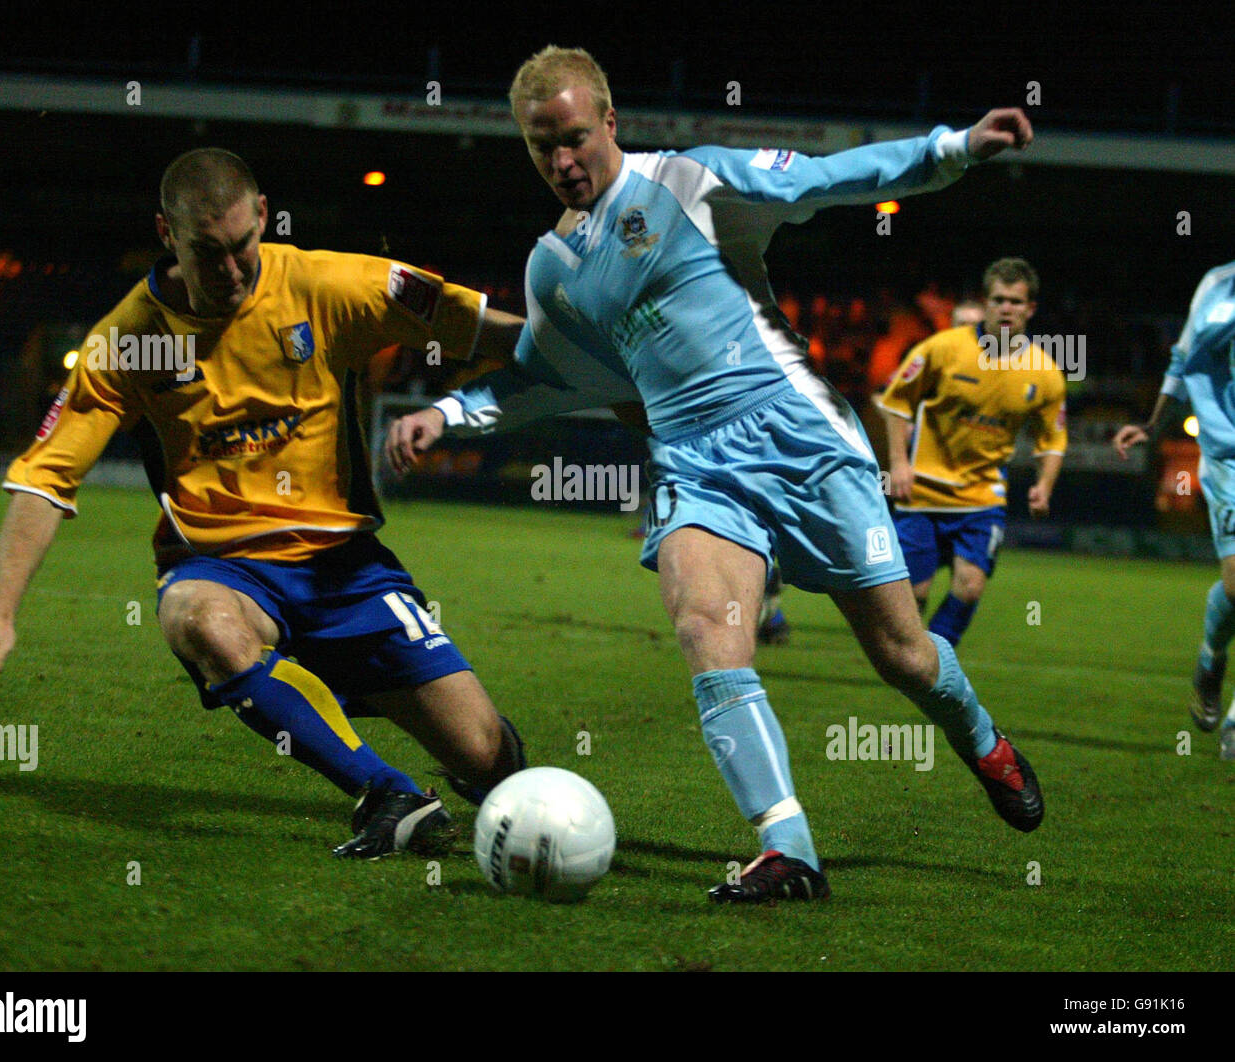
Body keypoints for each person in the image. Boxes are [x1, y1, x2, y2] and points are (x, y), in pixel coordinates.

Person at [387, 46, 1044, 903]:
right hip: (696, 468)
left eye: (577, 138)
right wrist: (450, 414)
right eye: (541, 146)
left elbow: (830, 178)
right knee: (706, 626)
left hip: (802, 441)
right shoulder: (551, 267)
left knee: (905, 655)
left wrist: (953, 147)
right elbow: (542, 377)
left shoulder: (691, 182)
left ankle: (985, 741)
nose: (562, 162)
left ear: (610, 122)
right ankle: (788, 849)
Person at [0, 147, 528, 856]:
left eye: (243, 246)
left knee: (486, 752)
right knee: (201, 621)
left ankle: (375, 705)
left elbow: (487, 331)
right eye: (206, 252)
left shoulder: (331, 284)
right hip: (225, 567)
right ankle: (388, 793)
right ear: (167, 235)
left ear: (264, 219)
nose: (230, 270)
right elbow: (45, 477)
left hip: (345, 570)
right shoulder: (129, 339)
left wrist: (608, 365)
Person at [877, 258, 1066, 646]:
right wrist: (898, 463)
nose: (1006, 308)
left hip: (981, 496)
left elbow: (1053, 439)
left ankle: (938, 662)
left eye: (1015, 301)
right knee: (913, 596)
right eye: (998, 299)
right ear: (986, 303)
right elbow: (896, 402)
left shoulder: (1045, 372)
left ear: (1030, 308)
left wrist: (1044, 485)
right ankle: (914, 663)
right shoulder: (943, 348)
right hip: (923, 492)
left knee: (970, 587)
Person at [1114, 258, 1235, 760]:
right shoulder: (1217, 285)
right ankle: (1211, 657)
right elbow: (1183, 360)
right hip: (1230, 456)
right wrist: (1153, 424)